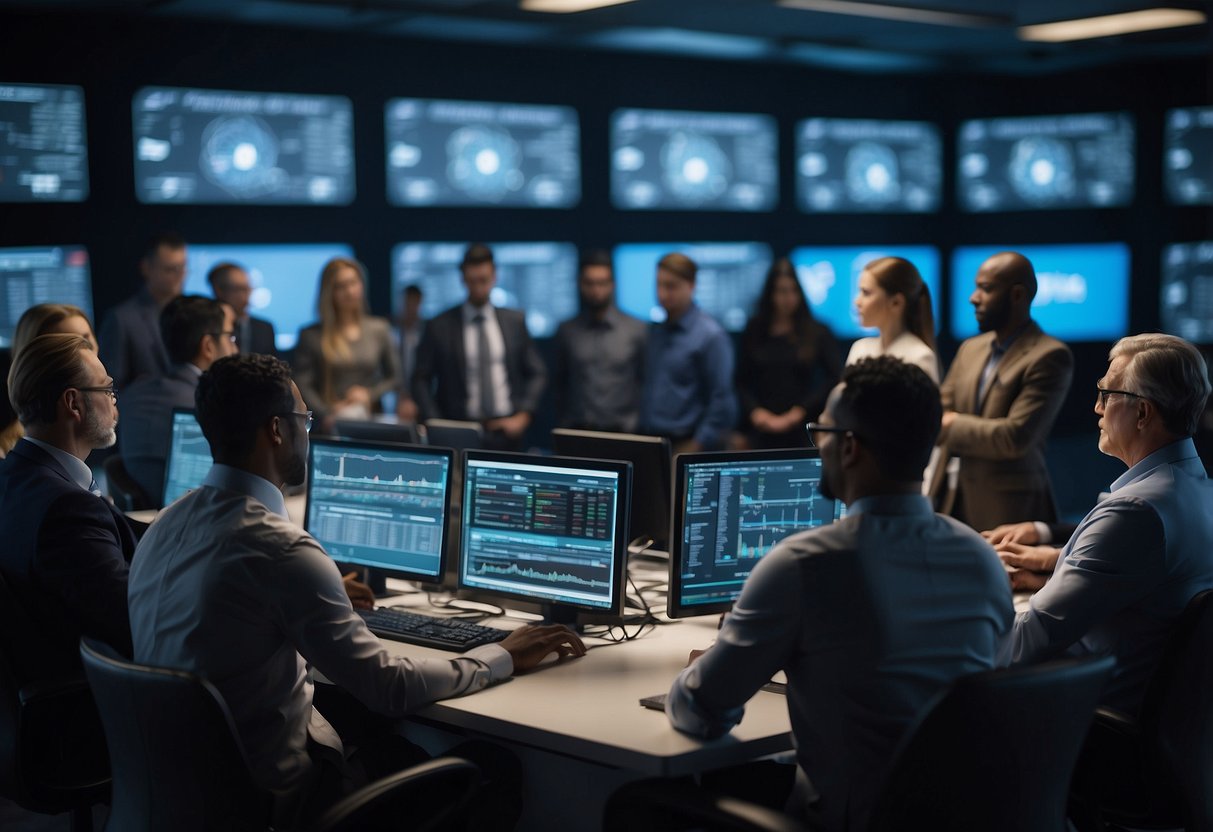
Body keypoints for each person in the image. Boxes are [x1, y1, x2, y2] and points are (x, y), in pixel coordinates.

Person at [127, 354, 585, 825]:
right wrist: (502, 654)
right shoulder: (283, 552)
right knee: (491, 767)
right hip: (279, 802)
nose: (309, 430)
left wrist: (320, 592)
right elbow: (389, 686)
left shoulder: (164, 523)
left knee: (375, 730)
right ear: (277, 430)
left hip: (184, 796)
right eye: (304, 418)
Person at [666, 356, 1012, 831]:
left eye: (821, 433)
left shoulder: (804, 565)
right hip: (967, 817)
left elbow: (702, 714)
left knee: (639, 801)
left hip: (851, 821)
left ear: (848, 447)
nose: (818, 447)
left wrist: (701, 671)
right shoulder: (982, 559)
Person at [1002, 334, 1213, 715]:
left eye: (1107, 393)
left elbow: (1027, 643)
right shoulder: (1199, 490)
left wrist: (962, 615)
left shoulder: (1135, 511)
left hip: (1084, 722)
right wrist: (1054, 569)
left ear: (1143, 413)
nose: (1097, 407)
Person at [0, 333, 135, 681]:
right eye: (106, 390)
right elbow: (132, 621)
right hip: (89, 708)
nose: (114, 402)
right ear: (73, 403)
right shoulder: (67, 509)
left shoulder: (13, 475)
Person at [931, 251, 1073, 531]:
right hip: (948, 499)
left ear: (1017, 295)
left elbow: (1014, 437)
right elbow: (935, 413)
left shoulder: (1050, 355)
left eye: (985, 288)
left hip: (1009, 509)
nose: (973, 297)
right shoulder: (970, 348)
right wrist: (946, 420)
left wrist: (952, 423)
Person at [411, 244, 547, 450]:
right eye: (473, 281)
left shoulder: (514, 321)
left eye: (483, 280)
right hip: (459, 430)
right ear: (463, 279)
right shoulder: (440, 325)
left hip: (506, 430)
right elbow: (420, 378)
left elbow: (538, 372)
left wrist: (524, 415)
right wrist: (435, 423)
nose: (479, 287)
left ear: (494, 277)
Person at [118, 295, 237, 504]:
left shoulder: (133, 395)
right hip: (196, 518)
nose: (234, 349)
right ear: (208, 345)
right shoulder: (208, 406)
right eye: (230, 337)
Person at [736, 258, 843, 449]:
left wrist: (800, 411)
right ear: (770, 294)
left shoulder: (816, 331)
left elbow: (835, 378)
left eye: (794, 290)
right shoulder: (755, 330)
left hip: (803, 428)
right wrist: (755, 412)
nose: (788, 298)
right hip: (761, 427)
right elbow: (739, 381)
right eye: (781, 291)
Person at [638, 253, 737, 452]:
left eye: (671, 286)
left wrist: (697, 445)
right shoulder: (656, 331)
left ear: (691, 286)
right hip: (651, 441)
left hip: (687, 444)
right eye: (658, 285)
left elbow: (722, 401)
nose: (662, 294)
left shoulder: (711, 336)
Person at [293, 257, 400, 434]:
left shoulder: (379, 329)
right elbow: (303, 383)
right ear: (329, 292)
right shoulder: (311, 334)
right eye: (341, 286)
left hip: (370, 419)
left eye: (353, 283)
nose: (349, 291)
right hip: (328, 424)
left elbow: (395, 377)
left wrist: (369, 394)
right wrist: (328, 413)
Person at [551, 249, 646, 432]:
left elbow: (646, 383)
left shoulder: (637, 330)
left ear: (613, 285)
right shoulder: (567, 331)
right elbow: (559, 386)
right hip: (578, 432)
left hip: (625, 433)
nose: (596, 290)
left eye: (602, 283)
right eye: (590, 283)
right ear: (580, 284)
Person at [1, 303, 98, 457]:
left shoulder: (108, 415)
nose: (85, 354)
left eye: (86, 340)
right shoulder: (9, 451)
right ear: (33, 358)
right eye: (68, 344)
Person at [98, 231, 187, 391]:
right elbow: (111, 383)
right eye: (170, 269)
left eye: (182, 267)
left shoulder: (192, 313)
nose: (179, 275)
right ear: (146, 268)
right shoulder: (121, 319)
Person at [845, 256, 939, 383]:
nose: (857, 301)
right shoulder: (860, 349)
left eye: (866, 293)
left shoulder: (920, 357)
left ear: (896, 302)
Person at [206, 261, 277, 356]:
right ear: (218, 290)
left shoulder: (264, 329)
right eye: (238, 289)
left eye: (248, 288)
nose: (245, 295)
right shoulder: (206, 327)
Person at [394, 283, 424, 423]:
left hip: (420, 398)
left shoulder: (428, 331)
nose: (410, 307)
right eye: (407, 302)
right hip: (395, 396)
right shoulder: (391, 330)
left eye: (414, 302)